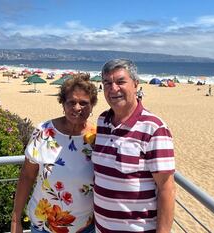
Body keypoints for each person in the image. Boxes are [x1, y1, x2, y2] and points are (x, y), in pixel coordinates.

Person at [92, 59, 176, 232]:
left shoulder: (154, 128)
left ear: (136, 84)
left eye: (120, 82)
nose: (113, 88)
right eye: (107, 83)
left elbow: (166, 190)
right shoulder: (102, 121)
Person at [11, 73, 98, 233]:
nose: (77, 108)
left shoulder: (97, 138)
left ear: (92, 105)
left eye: (84, 103)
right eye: (71, 102)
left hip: (86, 227)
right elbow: (27, 176)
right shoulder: (43, 132)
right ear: (63, 104)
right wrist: (16, 218)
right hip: (43, 227)